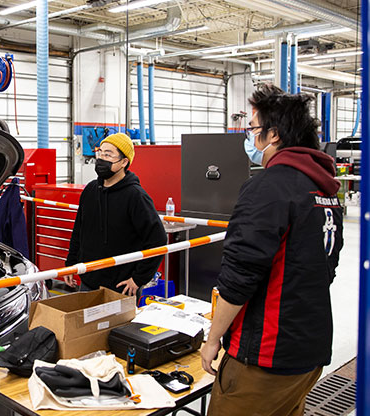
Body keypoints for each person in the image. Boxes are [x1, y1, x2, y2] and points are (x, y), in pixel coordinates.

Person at [201, 84, 344, 416]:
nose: (249, 137)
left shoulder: (268, 187)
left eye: (252, 128)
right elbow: (327, 269)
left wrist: (212, 340)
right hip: (309, 351)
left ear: (273, 135)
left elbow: (239, 277)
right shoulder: (325, 190)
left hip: (264, 358)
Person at [64, 133, 167, 296]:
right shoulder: (90, 190)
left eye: (108, 154)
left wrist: (138, 279)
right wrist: (71, 264)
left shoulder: (136, 196)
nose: (101, 159)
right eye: (100, 153)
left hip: (121, 287)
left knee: (120, 323)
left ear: (124, 162)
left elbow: (158, 240)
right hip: (88, 282)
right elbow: (79, 231)